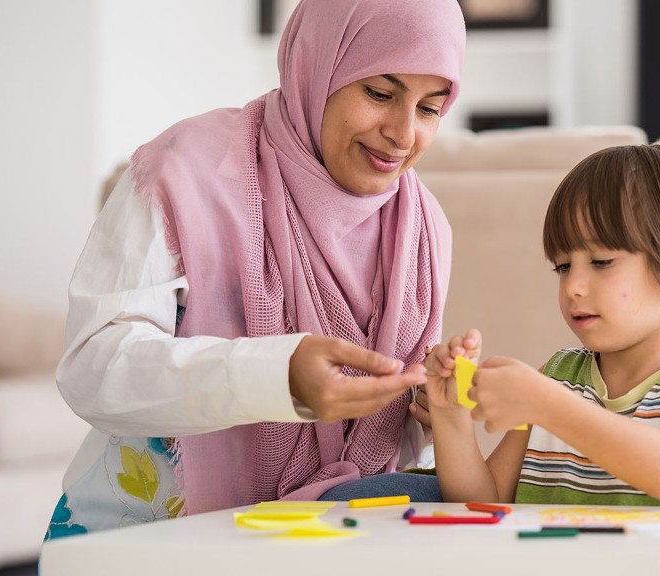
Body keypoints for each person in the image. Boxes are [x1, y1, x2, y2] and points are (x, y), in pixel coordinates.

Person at [45, 0, 465, 539]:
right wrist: (274, 376)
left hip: (318, 541)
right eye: (380, 94)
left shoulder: (424, 230)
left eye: (429, 108)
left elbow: (377, 449)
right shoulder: (187, 170)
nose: (404, 134)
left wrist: (428, 411)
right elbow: (92, 367)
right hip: (144, 537)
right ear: (317, 66)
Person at [424, 144, 660, 508]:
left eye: (602, 261)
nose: (573, 286)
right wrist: (450, 417)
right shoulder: (557, 379)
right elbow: (485, 504)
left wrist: (544, 404)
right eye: (563, 267)